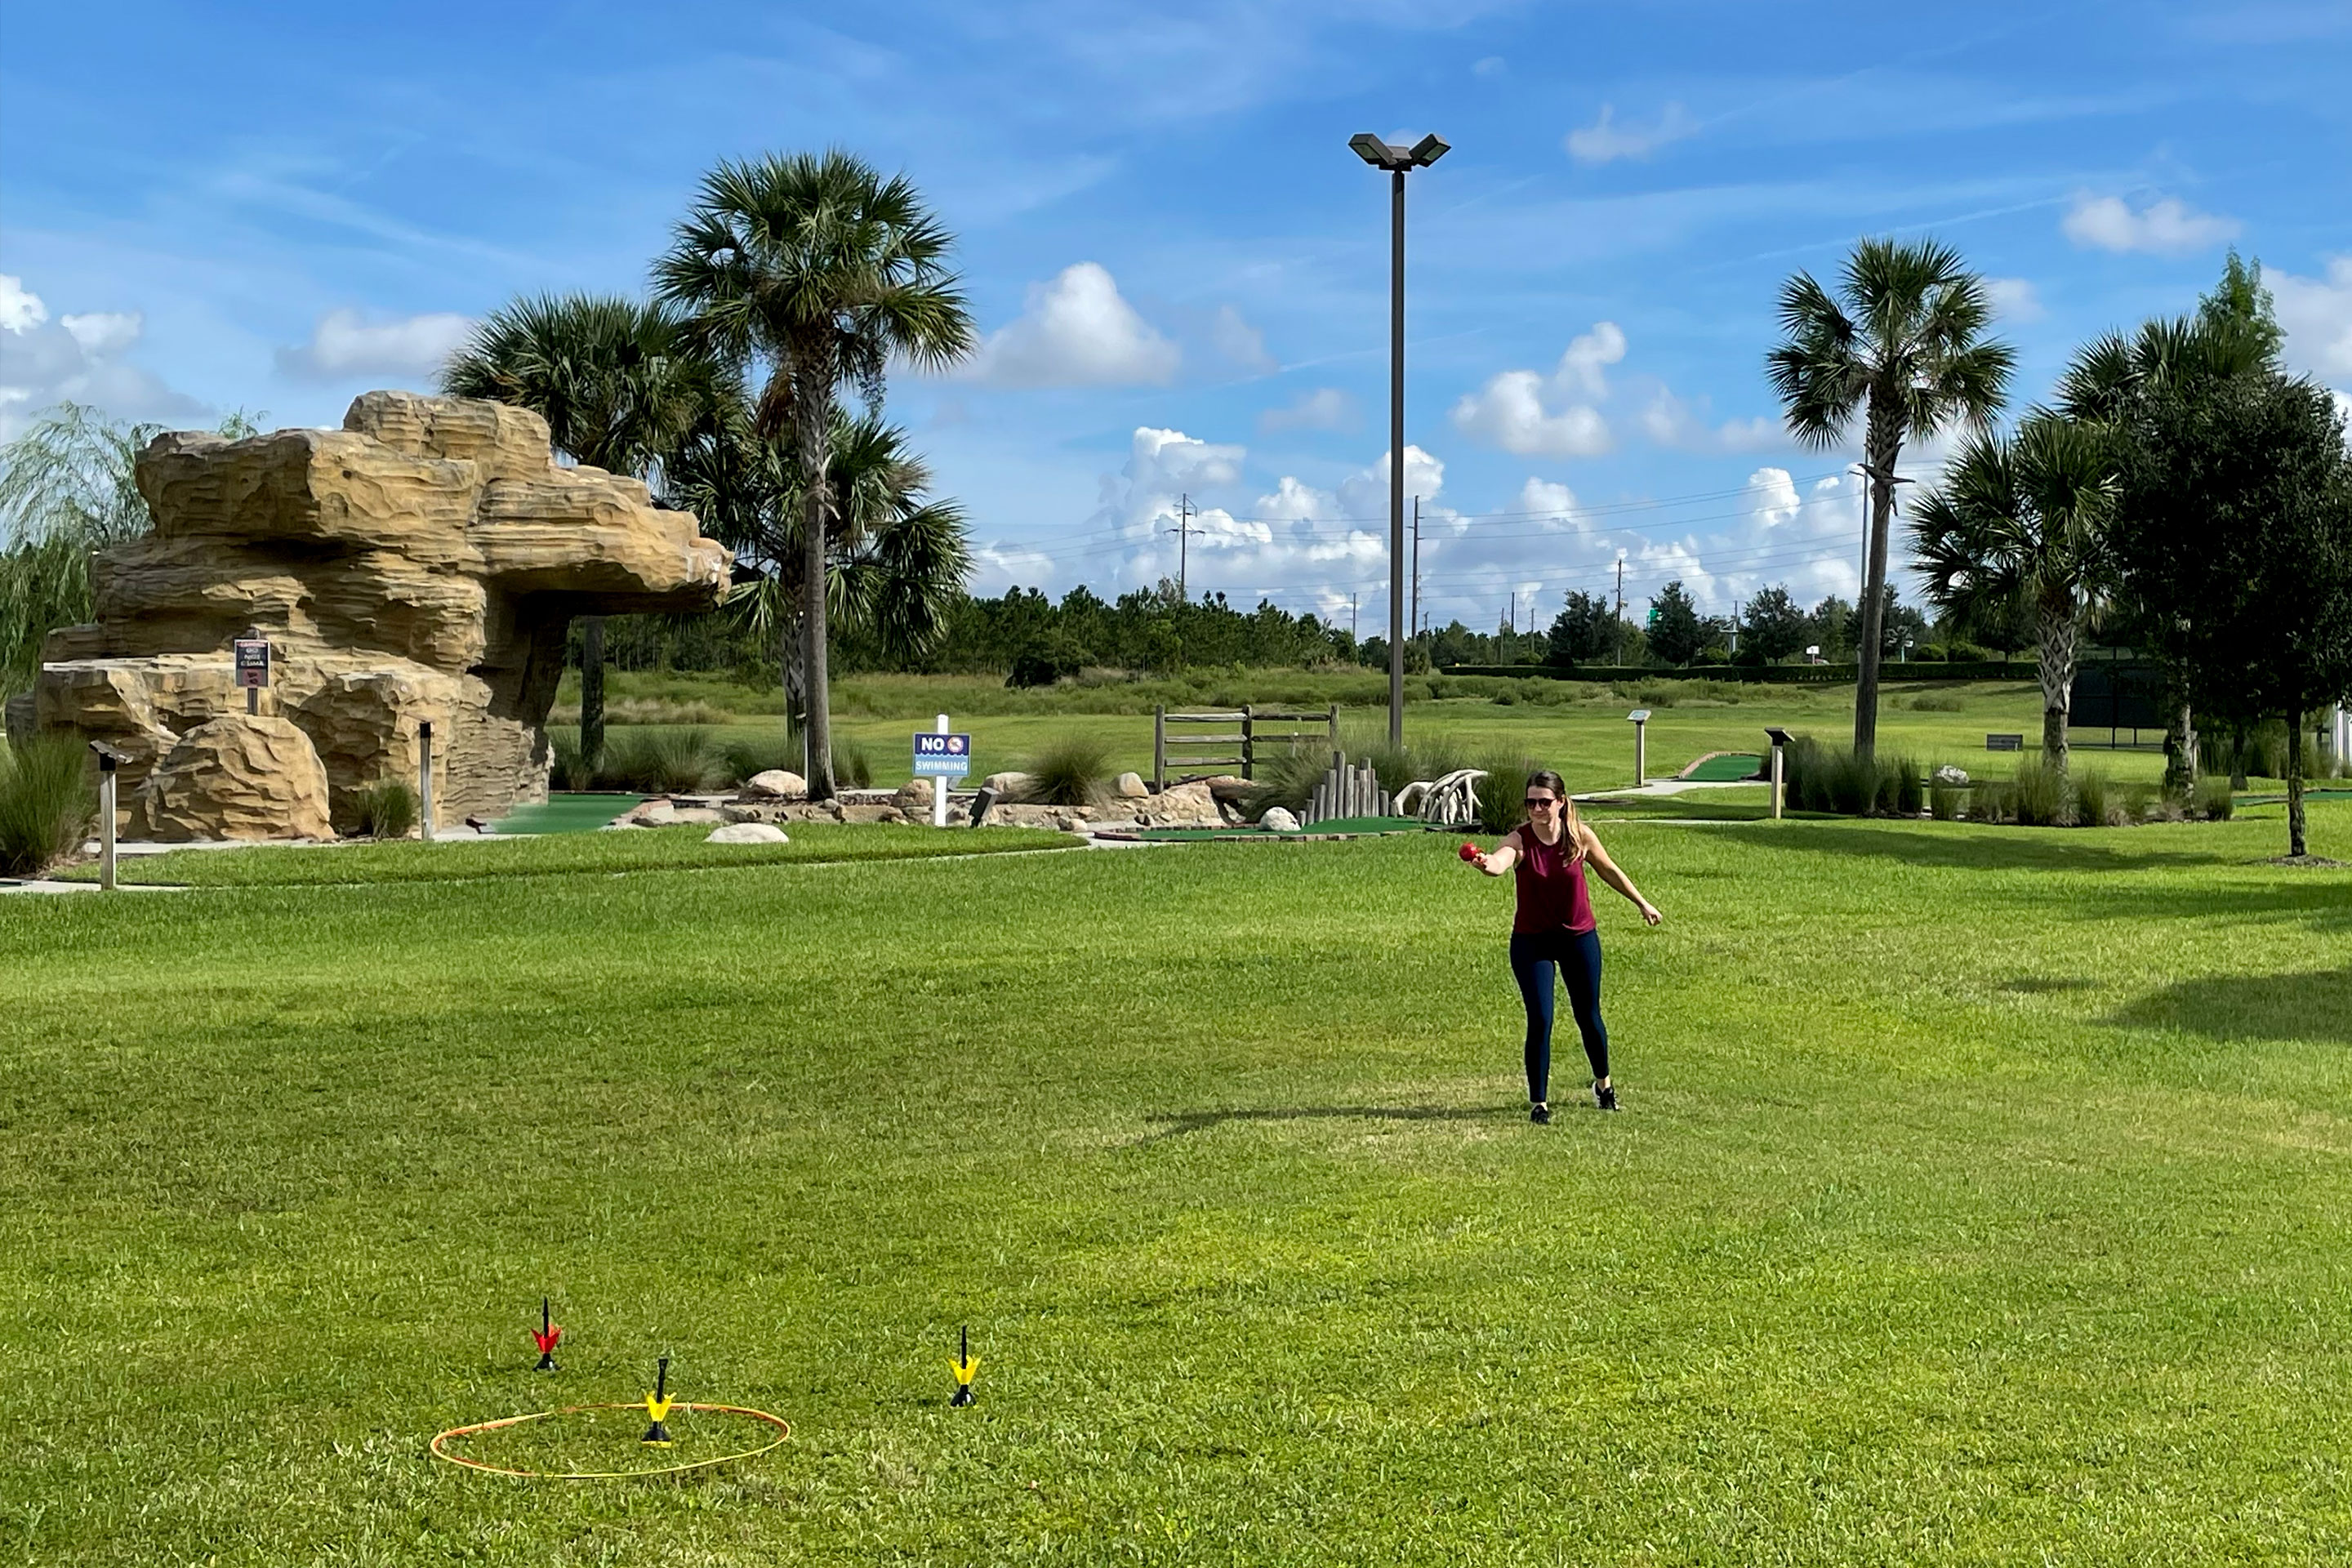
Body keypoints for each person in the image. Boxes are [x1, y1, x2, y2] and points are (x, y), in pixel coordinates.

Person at [1463, 770, 1660, 1123]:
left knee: (1589, 1017)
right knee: (1540, 1018)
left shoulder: (1580, 837)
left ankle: (1604, 1085)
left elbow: (1609, 871)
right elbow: (1499, 863)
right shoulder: (1520, 839)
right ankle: (1539, 1104)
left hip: (1578, 938)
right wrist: (1484, 863)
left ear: (1561, 803)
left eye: (1544, 802)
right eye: (1530, 802)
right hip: (1531, 942)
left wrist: (1642, 903)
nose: (1537, 808)